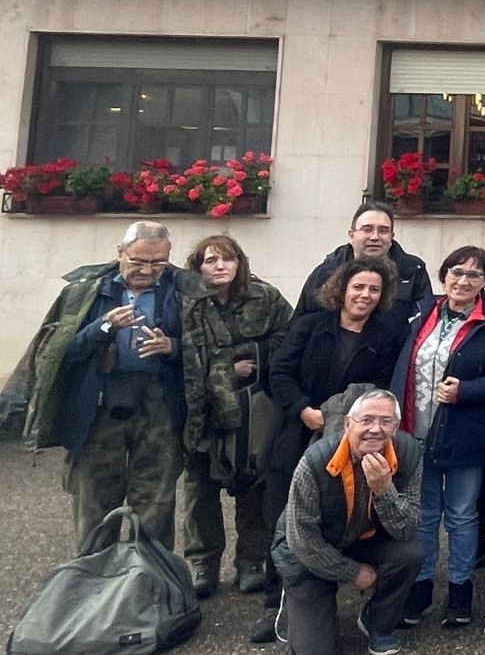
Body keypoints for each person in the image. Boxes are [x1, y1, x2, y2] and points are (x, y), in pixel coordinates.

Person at [248, 258, 406, 643]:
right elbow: (278, 372)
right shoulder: (309, 325)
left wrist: (341, 421)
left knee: (331, 515)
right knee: (281, 521)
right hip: (296, 432)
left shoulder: (386, 336)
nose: (365, 296)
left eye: (373, 290)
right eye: (358, 288)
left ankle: (324, 589)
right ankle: (275, 603)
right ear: (342, 289)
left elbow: (377, 389)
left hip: (347, 440)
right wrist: (304, 409)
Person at [25, 220, 200, 547]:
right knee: (94, 500)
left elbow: (207, 348)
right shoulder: (86, 291)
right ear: (121, 252)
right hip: (99, 406)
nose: (148, 270)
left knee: (155, 502)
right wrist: (102, 327)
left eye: (158, 262)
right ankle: (94, 580)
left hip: (160, 406)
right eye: (139, 261)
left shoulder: (184, 291)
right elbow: (57, 353)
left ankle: (148, 583)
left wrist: (171, 347)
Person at [390, 245, 485, 629]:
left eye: (474, 275)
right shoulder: (420, 313)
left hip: (467, 432)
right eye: (456, 272)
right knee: (425, 514)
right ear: (443, 274)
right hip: (415, 430)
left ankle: (460, 588)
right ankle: (420, 586)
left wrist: (467, 390)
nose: (463, 281)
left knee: (463, 516)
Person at [272, 389, 423, 655]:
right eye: (366, 420)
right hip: (311, 549)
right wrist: (353, 573)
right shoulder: (314, 461)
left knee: (410, 553)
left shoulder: (409, 453)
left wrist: (384, 490)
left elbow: (407, 527)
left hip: (362, 538)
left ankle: (376, 623)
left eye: (386, 421)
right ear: (347, 424)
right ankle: (294, 600)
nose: (375, 429)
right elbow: (303, 541)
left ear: (396, 426)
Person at [177, 233, 293, 596]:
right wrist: (228, 364)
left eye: (227, 259)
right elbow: (176, 347)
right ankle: (202, 565)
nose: (220, 267)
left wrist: (255, 356)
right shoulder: (184, 303)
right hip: (202, 409)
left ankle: (251, 562)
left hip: (250, 408)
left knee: (253, 485)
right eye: (210, 261)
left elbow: (289, 337)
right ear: (198, 267)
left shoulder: (266, 297)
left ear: (239, 263)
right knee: (200, 489)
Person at [292, 202, 434, 324]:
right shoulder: (326, 273)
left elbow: (423, 324)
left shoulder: (412, 271)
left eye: (383, 231)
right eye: (367, 230)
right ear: (351, 235)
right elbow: (301, 322)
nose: (375, 237)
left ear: (392, 236)